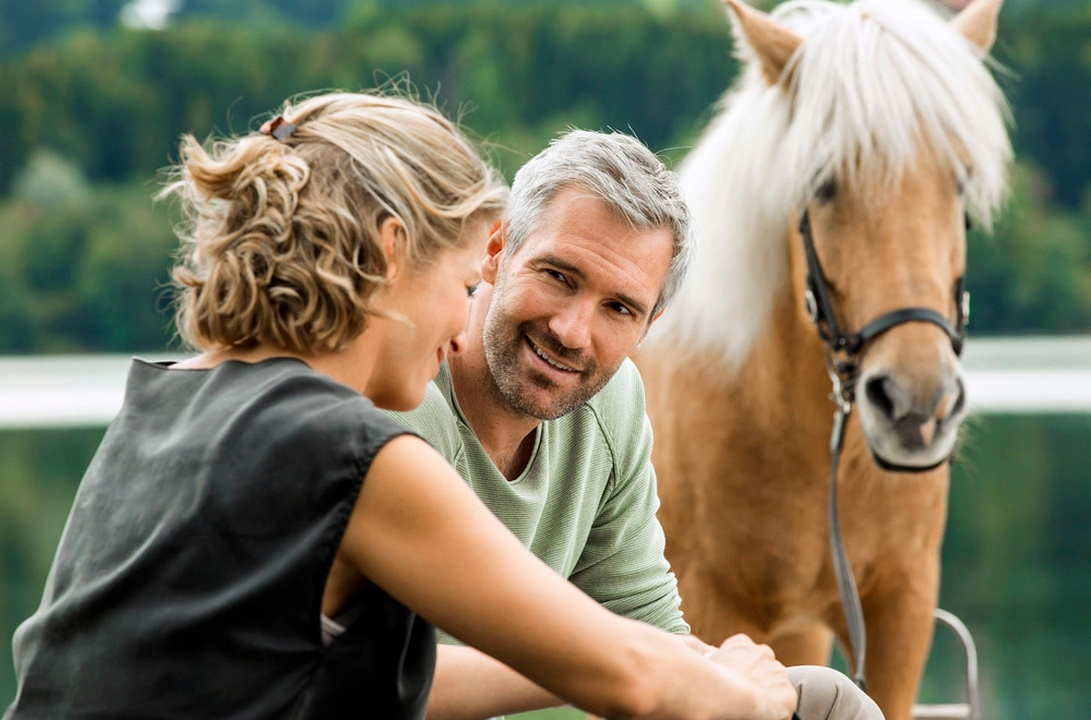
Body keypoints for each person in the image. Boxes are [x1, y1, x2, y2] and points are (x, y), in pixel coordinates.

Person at [4, 92, 803, 720]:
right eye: (463, 285)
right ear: (393, 251)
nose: (462, 320)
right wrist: (742, 690)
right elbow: (627, 680)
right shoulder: (347, 453)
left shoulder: (168, 397)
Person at [386, 130, 883, 720]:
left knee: (829, 700)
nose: (572, 330)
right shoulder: (403, 397)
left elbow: (646, 626)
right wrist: (612, 665)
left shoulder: (611, 403)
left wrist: (731, 683)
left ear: (650, 324)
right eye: (559, 276)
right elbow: (376, 682)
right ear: (497, 250)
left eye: (619, 308)